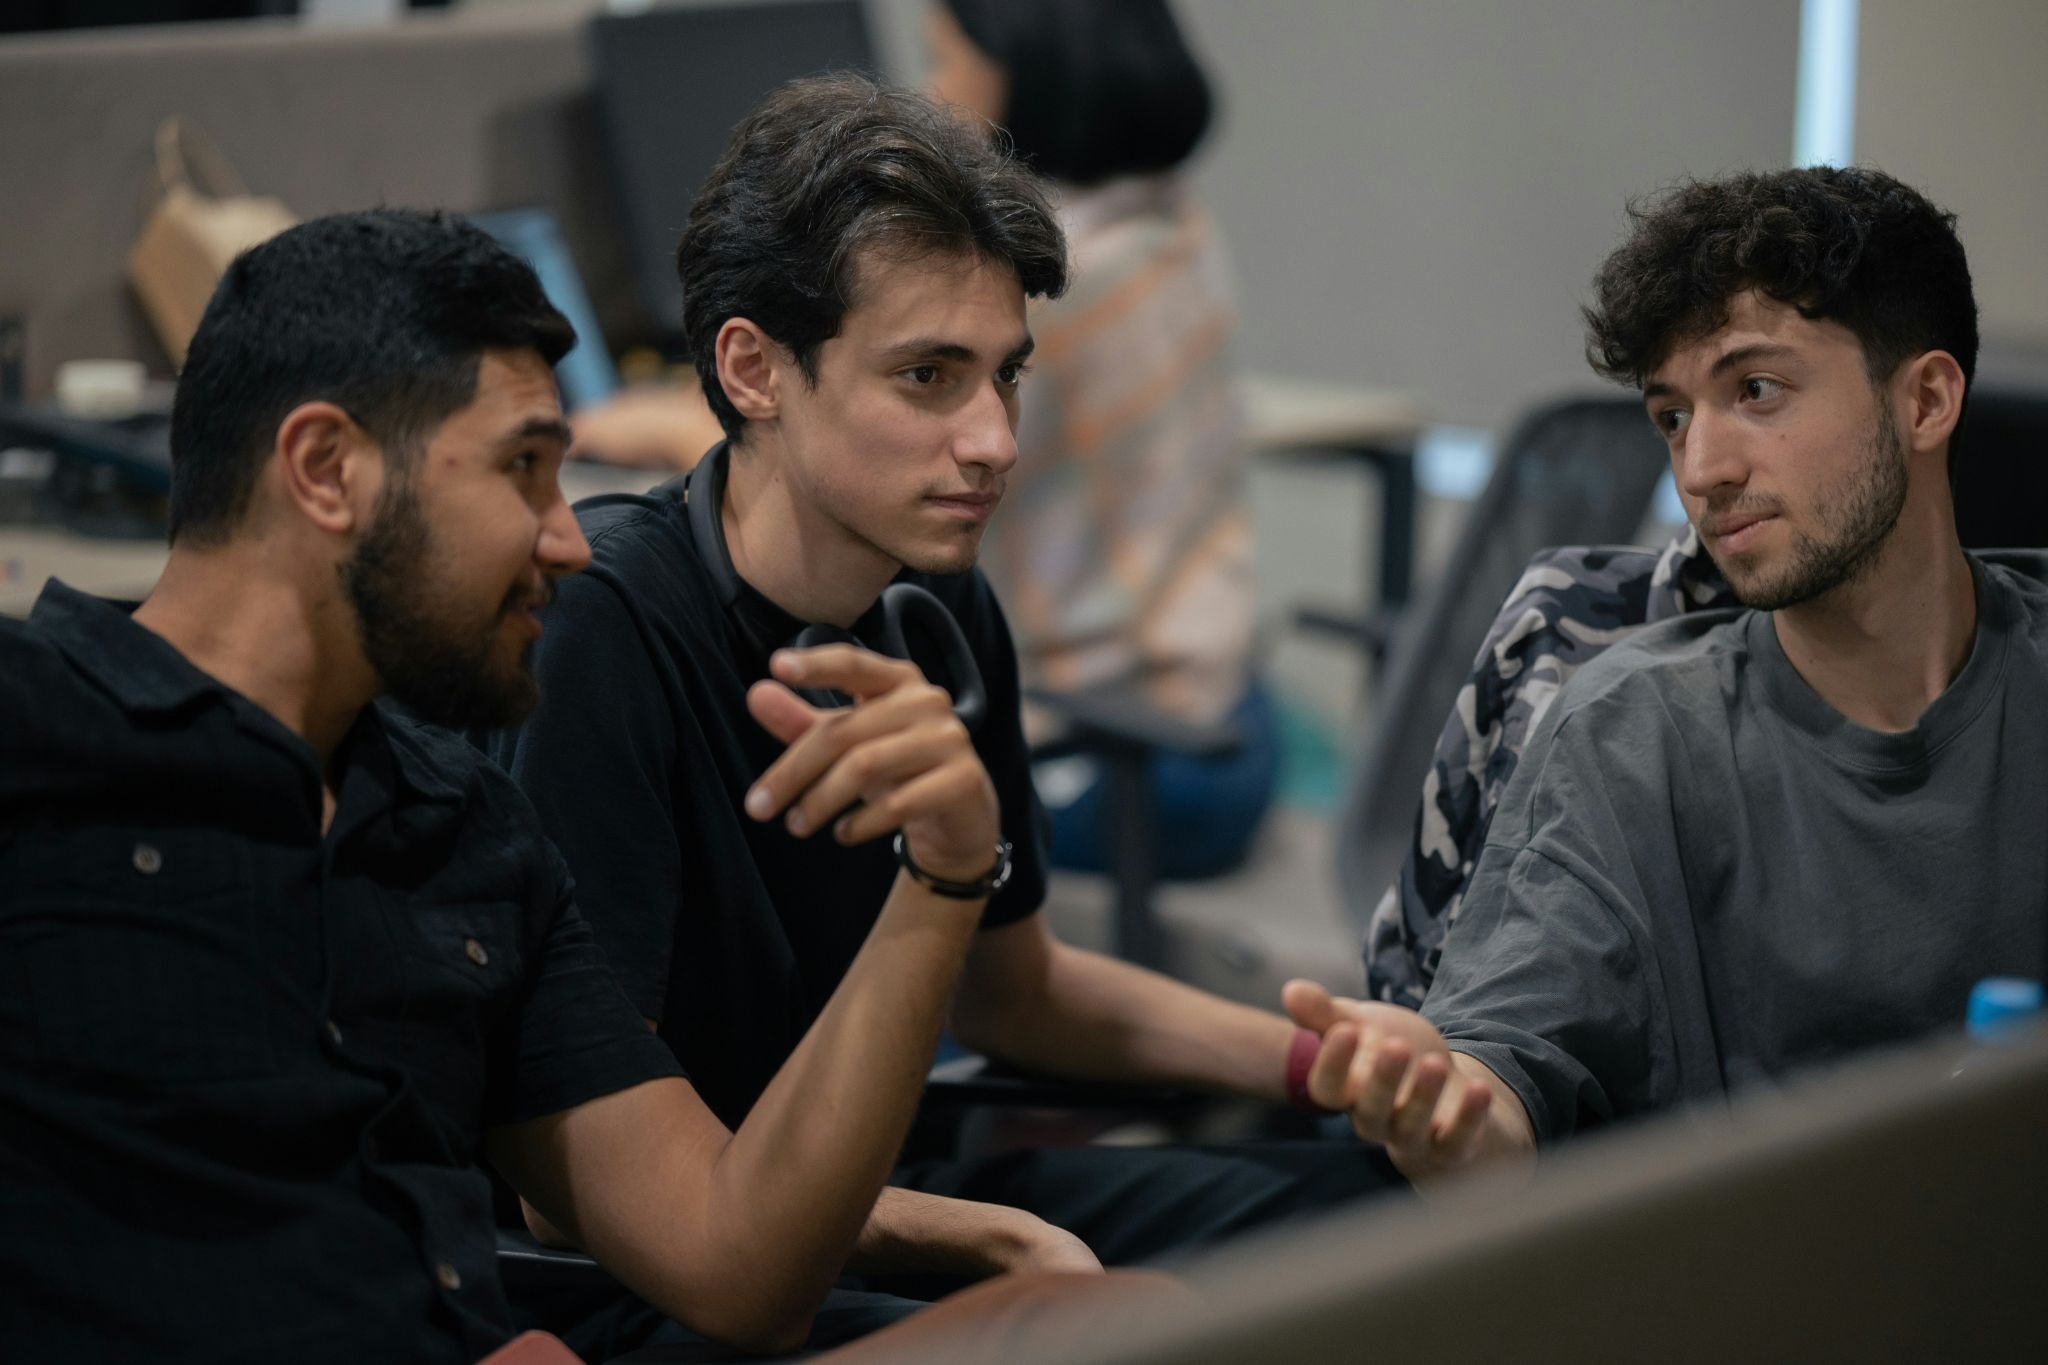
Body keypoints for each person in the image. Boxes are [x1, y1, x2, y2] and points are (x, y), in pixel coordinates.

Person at [0, 208, 1156, 1363]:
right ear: (327, 470)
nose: (564, 539)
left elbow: (737, 1268)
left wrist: (943, 874)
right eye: (523, 471)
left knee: (1097, 1329)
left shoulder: (465, 834)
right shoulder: (38, 739)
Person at [488, 73, 1390, 1318]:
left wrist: (1332, 1060)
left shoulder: (937, 602)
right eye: (927, 377)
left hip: (877, 1190)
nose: (994, 442)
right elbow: (574, 1198)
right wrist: (988, 1239)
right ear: (753, 370)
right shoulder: (602, 633)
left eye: (1003, 376)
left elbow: (1016, 992)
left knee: (1388, 1214)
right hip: (665, 1271)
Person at [1284, 166, 2048, 1187]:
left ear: (1925, 399)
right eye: (1673, 417)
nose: (1701, 469)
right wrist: (1447, 1109)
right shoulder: (1630, 729)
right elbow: (1501, 1073)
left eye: (1755, 391)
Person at [926, 0, 1273, 878]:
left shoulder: (1043, 284)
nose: (931, 94)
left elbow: (885, 449)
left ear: (1022, 69)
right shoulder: (1172, 222)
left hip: (1122, 762)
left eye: (944, 60)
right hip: (1227, 718)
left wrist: (693, 413)